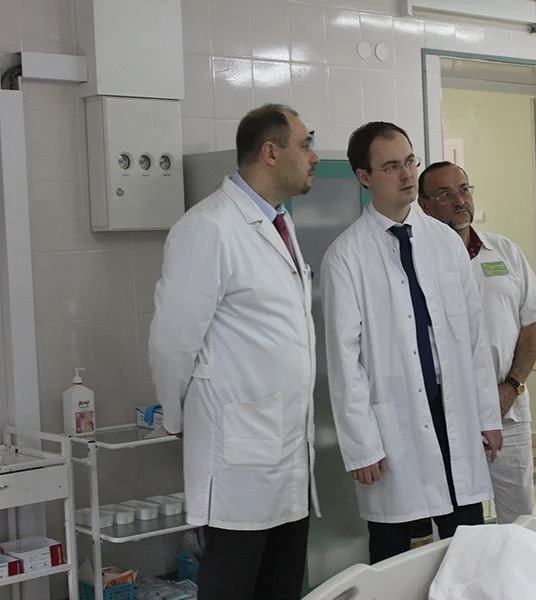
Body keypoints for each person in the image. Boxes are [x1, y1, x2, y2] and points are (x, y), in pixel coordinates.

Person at [149, 103, 320, 600]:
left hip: (287, 454)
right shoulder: (210, 227)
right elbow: (172, 340)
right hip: (237, 461)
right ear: (270, 152)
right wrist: (176, 415)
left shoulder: (279, 224)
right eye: (304, 144)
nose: (313, 156)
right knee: (232, 588)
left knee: (280, 588)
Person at [320, 122, 502, 564]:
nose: (406, 175)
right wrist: (362, 444)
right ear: (364, 177)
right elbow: (344, 361)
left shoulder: (445, 243)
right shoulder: (346, 255)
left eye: (409, 162)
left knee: (467, 543)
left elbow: (474, 338)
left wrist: (487, 414)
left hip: (454, 411)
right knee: (392, 550)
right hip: (392, 423)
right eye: (390, 167)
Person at [418, 161, 536, 524]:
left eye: (464, 189)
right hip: (446, 415)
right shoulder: (417, 262)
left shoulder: (504, 252)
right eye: (444, 194)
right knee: (455, 522)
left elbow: (532, 320)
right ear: (423, 205)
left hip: (508, 409)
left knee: (520, 517)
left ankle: (516, 568)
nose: (459, 200)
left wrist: (512, 386)